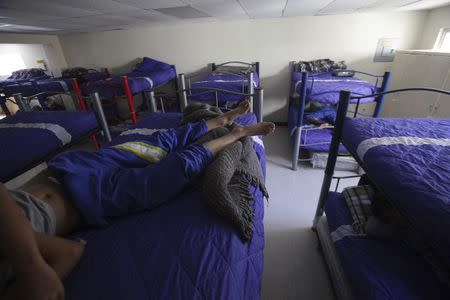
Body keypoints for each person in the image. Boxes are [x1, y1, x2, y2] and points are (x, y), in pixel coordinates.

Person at [0, 100, 275, 300]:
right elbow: (69, 252)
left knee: (158, 143)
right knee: (174, 170)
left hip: (66, 168)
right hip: (92, 199)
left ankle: (222, 120)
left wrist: (31, 268)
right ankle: (237, 133)